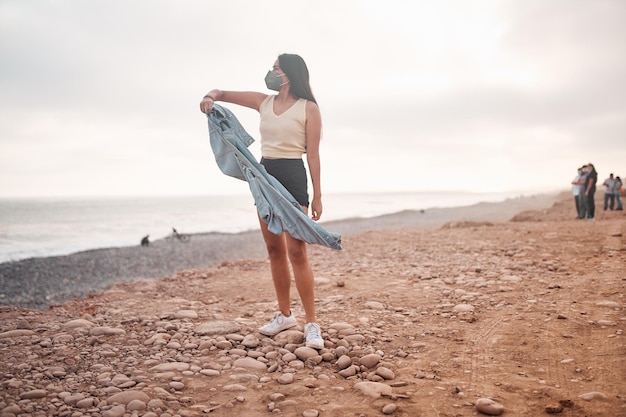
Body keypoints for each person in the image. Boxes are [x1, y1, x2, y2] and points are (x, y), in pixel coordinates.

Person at [199, 53, 325, 349]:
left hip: (293, 177)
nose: (271, 72)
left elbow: (314, 155)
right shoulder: (263, 102)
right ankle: (284, 315)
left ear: (289, 73)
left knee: (297, 251)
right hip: (264, 176)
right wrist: (208, 97)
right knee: (273, 249)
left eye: (276, 68)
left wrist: (318, 194)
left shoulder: (309, 108)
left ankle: (312, 324)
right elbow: (222, 93)